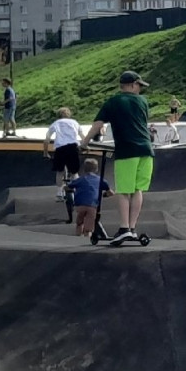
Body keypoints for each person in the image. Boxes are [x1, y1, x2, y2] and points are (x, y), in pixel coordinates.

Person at [84, 70, 154, 245]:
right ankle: (132, 228)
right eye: (139, 85)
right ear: (132, 84)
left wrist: (84, 142)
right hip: (146, 150)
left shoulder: (114, 102)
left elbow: (98, 125)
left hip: (127, 150)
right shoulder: (143, 101)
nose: (140, 89)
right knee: (137, 190)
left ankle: (124, 228)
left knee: (123, 190)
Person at [47, 107, 83, 189]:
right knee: (74, 172)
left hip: (60, 148)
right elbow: (82, 136)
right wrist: (85, 146)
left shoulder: (56, 123)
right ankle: (77, 189)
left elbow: (47, 139)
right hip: (73, 147)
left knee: (60, 171)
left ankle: (60, 191)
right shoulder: (74, 122)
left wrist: (45, 153)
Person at [69, 157, 103, 238]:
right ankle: (87, 236)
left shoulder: (80, 179)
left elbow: (69, 186)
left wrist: (69, 189)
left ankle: (78, 236)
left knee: (79, 222)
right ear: (96, 169)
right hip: (92, 205)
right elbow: (110, 192)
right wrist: (104, 194)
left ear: (84, 169)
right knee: (89, 225)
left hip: (80, 205)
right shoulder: (100, 180)